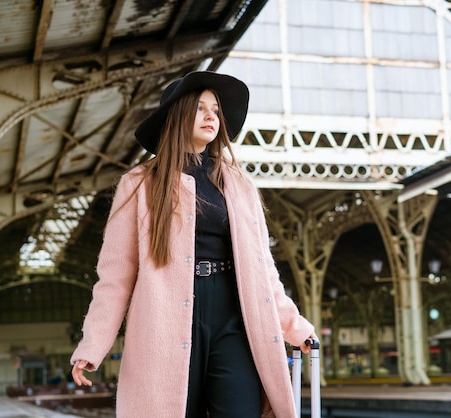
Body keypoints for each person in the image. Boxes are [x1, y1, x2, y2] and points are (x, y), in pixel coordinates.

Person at [69, 71, 317, 418]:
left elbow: (263, 270)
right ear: (177, 115)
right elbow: (115, 276)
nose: (211, 116)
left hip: (234, 318)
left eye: (215, 110)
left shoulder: (239, 185)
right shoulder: (139, 184)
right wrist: (92, 344)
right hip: (165, 321)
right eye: (200, 108)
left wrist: (295, 326)